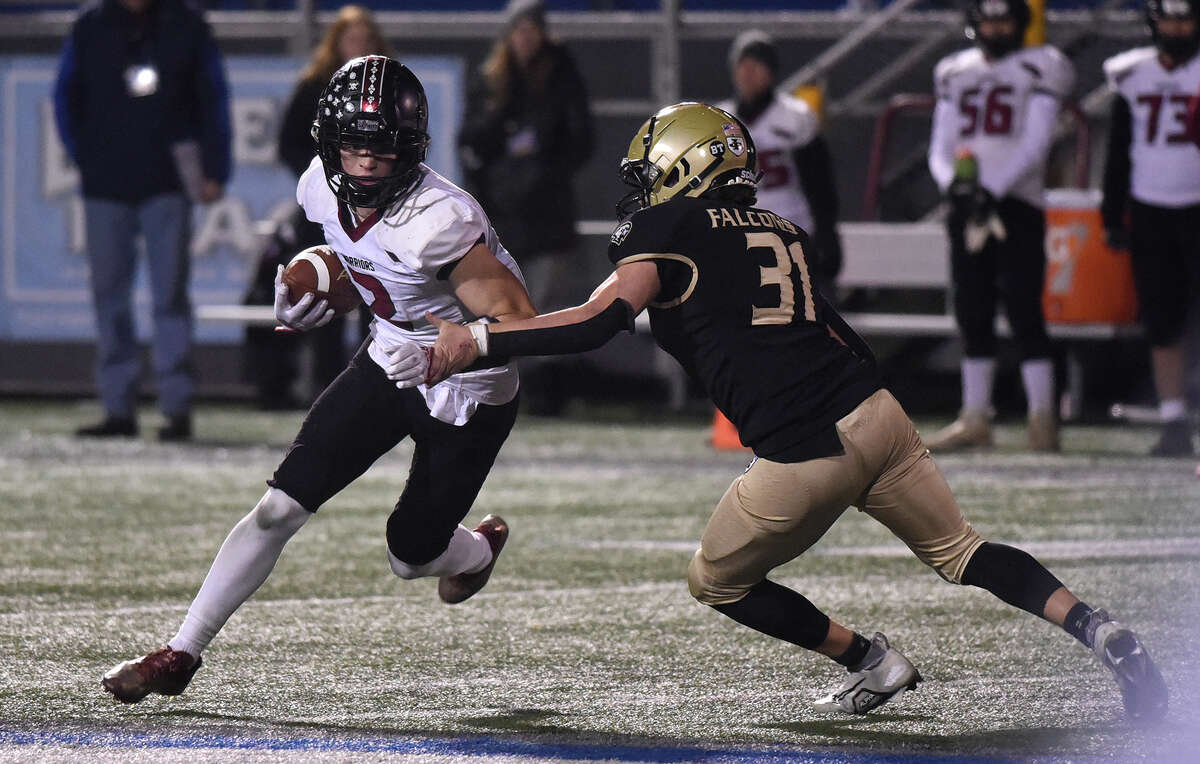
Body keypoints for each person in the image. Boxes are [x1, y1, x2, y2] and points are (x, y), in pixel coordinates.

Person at [425, 102, 1168, 722]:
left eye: (652, 174)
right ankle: (1097, 628)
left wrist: (482, 337)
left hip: (804, 448)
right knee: (964, 553)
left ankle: (871, 657)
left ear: (688, 168)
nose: (643, 190)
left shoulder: (667, 231)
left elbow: (596, 322)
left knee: (713, 581)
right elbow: (835, 331)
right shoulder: (782, 229)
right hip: (876, 412)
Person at [100, 56, 536, 704]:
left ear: (410, 150)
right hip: (390, 358)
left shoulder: (440, 219)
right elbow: (358, 259)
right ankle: (181, 651)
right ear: (330, 145)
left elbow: (520, 321)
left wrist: (462, 347)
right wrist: (308, 286)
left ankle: (474, 551)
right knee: (279, 506)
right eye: (352, 147)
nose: (362, 164)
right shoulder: (317, 186)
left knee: (409, 555)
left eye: (380, 150)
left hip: (468, 392)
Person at [53, 0, 231, 441]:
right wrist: (86, 157)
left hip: (167, 182)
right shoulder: (90, 26)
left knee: (169, 296)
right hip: (105, 185)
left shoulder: (187, 24)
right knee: (109, 298)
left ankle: (176, 407)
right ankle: (118, 408)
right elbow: (64, 97)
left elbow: (213, 96)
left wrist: (215, 168)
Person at [924, 0, 1074, 453]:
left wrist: (994, 188)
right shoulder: (954, 70)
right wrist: (956, 187)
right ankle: (974, 417)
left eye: (1004, 19)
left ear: (1019, 23)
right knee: (972, 308)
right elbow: (940, 146)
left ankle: (1042, 417)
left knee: (1024, 307)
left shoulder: (1042, 65)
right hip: (970, 205)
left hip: (1017, 204)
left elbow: (1037, 141)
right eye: (988, 19)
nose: (995, 27)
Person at [244, 4, 391, 410]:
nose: (358, 45)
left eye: (364, 38)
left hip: (377, 209)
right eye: (351, 38)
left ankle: (376, 388)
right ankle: (327, 388)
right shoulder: (315, 86)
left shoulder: (388, 89)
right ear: (337, 42)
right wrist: (329, 176)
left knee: (377, 297)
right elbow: (289, 144)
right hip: (329, 211)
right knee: (327, 293)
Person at [1101, 0, 1200, 456]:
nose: (1178, 28)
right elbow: (1119, 149)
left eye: (1186, 19)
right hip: (1150, 208)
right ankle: (1174, 420)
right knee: (1162, 320)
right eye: (1170, 19)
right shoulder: (1132, 73)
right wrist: (1111, 212)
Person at [457, 0, 593, 314]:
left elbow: (581, 140)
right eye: (519, 29)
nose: (526, 37)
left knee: (543, 309)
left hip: (547, 214)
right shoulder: (491, 80)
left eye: (533, 29)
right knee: (500, 308)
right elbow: (470, 141)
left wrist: (546, 174)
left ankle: (538, 366)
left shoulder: (561, 78)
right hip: (500, 215)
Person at [716, 29, 842, 298]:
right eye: (743, 65)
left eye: (756, 64)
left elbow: (820, 182)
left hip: (792, 234)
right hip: (737, 240)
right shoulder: (718, 120)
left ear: (771, 70)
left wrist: (827, 234)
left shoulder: (796, 116)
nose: (748, 72)